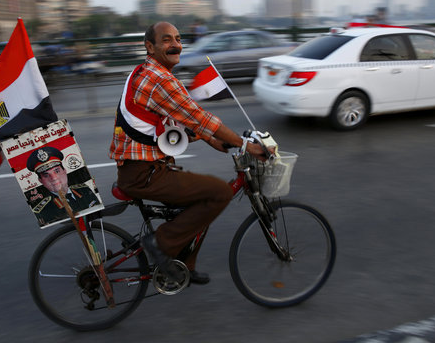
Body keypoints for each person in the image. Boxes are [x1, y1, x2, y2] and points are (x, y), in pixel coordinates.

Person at [109, 21, 267, 285]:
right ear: (150, 46)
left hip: (146, 167)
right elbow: (201, 118)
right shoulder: (158, 79)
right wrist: (244, 145)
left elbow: (177, 123)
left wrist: (210, 140)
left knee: (201, 203)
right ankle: (159, 244)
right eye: (167, 40)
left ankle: (185, 265)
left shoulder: (147, 71)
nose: (176, 44)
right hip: (144, 173)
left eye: (179, 39)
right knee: (217, 193)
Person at [26, 146, 101, 215]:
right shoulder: (44, 209)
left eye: (57, 171)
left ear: (64, 171)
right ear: (41, 181)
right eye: (46, 175)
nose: (54, 178)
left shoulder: (85, 190)